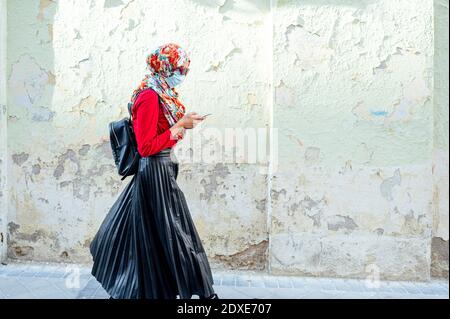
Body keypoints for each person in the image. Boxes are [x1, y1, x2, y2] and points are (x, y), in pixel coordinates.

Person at [89, 43, 219, 299]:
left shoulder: (163, 94)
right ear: (165, 67)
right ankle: (205, 295)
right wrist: (180, 124)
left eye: (186, 69)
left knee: (155, 233)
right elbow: (146, 146)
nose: (183, 73)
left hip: (163, 169)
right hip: (154, 173)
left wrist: (180, 126)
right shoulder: (149, 96)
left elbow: (163, 137)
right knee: (176, 234)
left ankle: (152, 290)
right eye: (180, 68)